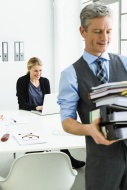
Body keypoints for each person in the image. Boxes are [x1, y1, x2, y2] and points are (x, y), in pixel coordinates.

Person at [58, 2, 127, 190]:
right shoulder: (70, 74)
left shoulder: (125, 62)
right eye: (97, 31)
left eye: (109, 31)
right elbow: (67, 121)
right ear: (82, 31)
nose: (104, 37)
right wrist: (89, 129)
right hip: (102, 161)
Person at [16, 57, 85, 169]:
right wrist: (36, 107)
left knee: (55, 131)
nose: (38, 73)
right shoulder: (22, 81)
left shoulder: (44, 81)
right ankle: (30, 156)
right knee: (37, 135)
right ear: (29, 69)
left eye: (40, 70)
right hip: (28, 114)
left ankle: (67, 158)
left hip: (42, 113)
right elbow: (22, 104)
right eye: (35, 71)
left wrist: (46, 108)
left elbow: (48, 100)